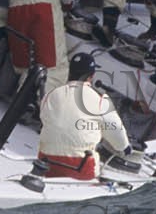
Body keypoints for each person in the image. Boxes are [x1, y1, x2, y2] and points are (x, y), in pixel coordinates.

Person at [36, 53, 127, 181]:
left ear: (70, 71)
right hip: (81, 169)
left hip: (46, 165)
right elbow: (116, 131)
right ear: (91, 76)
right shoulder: (100, 101)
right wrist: (124, 147)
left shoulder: (51, 95)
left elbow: (45, 118)